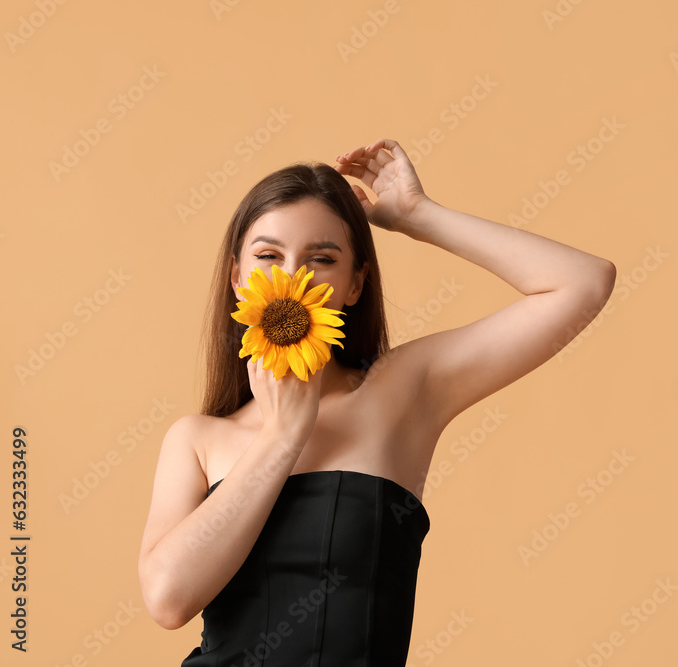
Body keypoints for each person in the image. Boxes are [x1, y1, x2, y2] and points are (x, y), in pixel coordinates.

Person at [137, 138, 616, 664]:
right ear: (236, 277)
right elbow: (167, 600)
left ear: (355, 283)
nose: (292, 277)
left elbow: (583, 283)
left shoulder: (402, 391)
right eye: (268, 255)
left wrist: (418, 216)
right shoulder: (198, 439)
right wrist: (281, 435)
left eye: (322, 258)